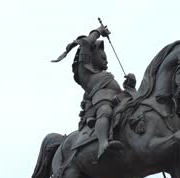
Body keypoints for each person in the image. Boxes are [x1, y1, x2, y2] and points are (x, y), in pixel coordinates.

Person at [52, 25, 136, 159]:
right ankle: (103, 143)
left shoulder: (105, 75)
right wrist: (98, 32)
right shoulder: (85, 74)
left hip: (118, 100)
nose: (106, 60)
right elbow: (85, 43)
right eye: (103, 58)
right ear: (92, 56)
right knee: (105, 110)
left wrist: (130, 86)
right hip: (101, 103)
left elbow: (124, 92)